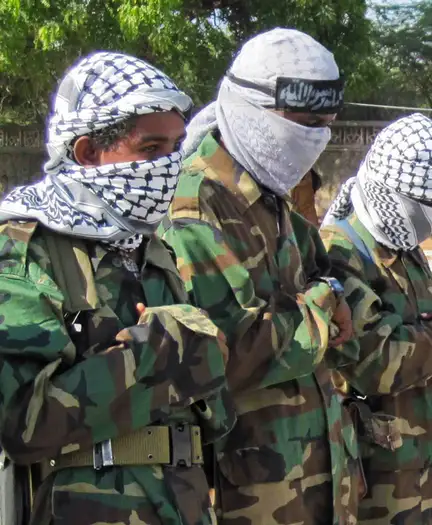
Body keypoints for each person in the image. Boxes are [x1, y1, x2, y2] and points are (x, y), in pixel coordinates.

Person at [0, 51, 234, 525]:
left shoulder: (152, 248)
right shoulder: (28, 250)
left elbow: (213, 409)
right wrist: (158, 349)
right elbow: (23, 423)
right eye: (151, 149)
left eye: (176, 147)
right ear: (88, 152)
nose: (169, 166)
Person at [158, 29, 360, 525]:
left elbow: (325, 276)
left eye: (326, 125)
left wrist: (328, 294)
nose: (316, 137)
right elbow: (222, 353)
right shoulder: (194, 206)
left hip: (315, 479)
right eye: (306, 123)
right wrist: (322, 309)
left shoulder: (271, 195)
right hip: (246, 494)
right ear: (252, 109)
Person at [320, 114, 432, 525]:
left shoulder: (404, 249)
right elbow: (378, 362)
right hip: (383, 493)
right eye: (423, 207)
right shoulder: (340, 253)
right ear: (387, 189)